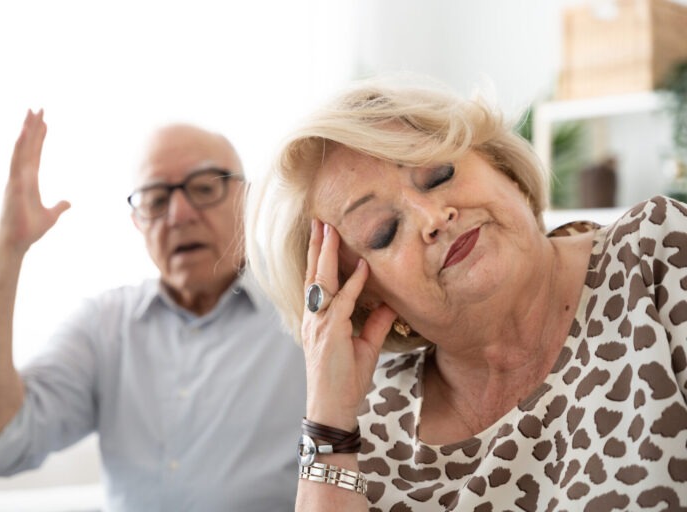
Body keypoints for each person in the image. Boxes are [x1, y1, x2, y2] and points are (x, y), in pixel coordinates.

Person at [244, 77, 687, 511]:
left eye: (438, 176)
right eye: (383, 231)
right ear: (366, 299)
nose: (432, 217)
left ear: (504, 169)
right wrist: (328, 423)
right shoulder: (367, 432)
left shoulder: (656, 253)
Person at [0, 109, 306, 511]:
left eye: (205, 189)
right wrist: (5, 252)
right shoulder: (104, 325)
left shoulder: (307, 311)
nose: (179, 215)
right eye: (156, 199)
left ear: (248, 198)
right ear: (138, 222)